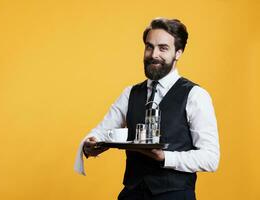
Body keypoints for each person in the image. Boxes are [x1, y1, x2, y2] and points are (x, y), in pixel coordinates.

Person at [74, 17, 220, 200]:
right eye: (149, 46)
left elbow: (210, 158)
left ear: (178, 53)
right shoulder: (130, 93)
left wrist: (165, 157)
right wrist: (89, 144)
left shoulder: (195, 95)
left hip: (174, 196)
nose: (153, 54)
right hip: (132, 194)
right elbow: (102, 131)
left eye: (163, 48)